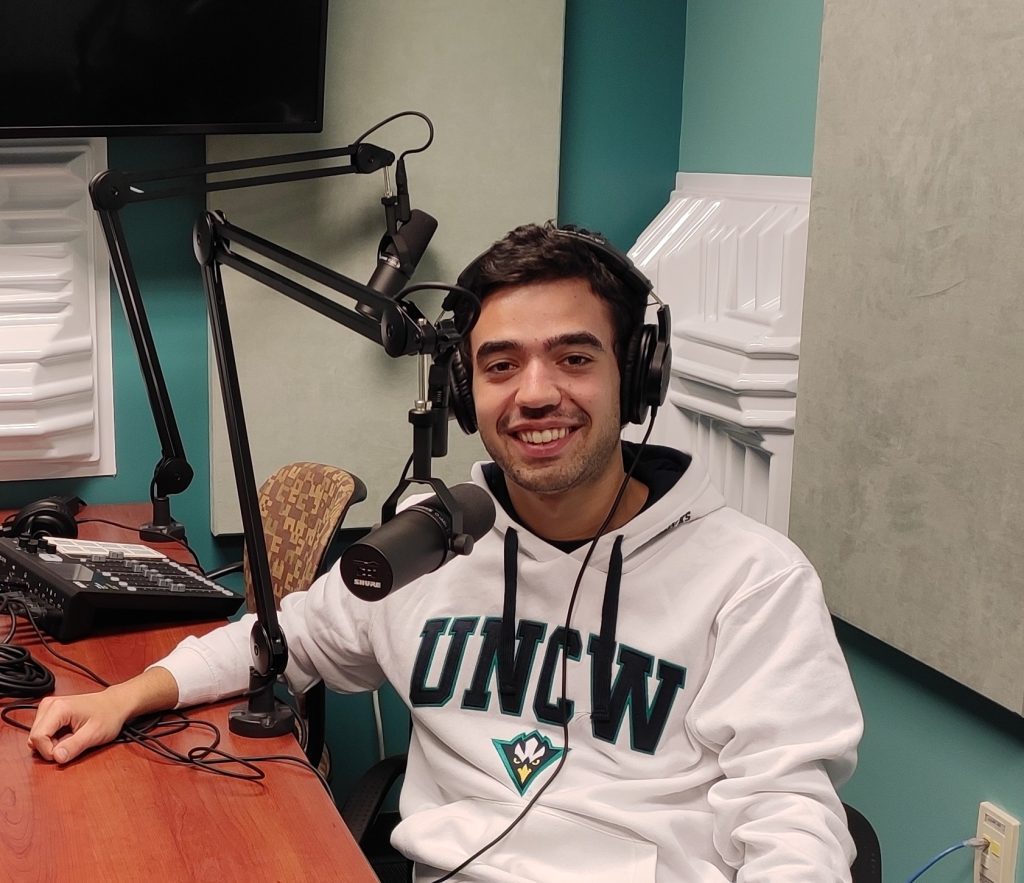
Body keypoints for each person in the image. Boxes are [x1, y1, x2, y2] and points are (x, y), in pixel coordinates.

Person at [28, 222, 863, 882]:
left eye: (574, 357)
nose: (536, 392)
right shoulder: (428, 545)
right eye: (501, 365)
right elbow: (281, 640)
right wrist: (126, 696)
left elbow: (793, 824)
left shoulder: (752, 579)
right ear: (466, 392)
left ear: (637, 374)